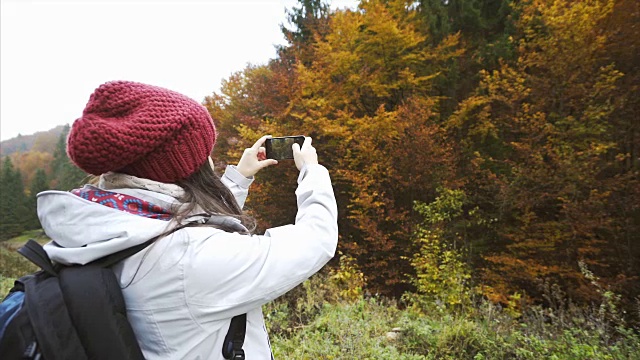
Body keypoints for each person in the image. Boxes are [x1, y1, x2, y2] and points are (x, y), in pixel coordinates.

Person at [36, 80, 339, 359]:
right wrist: (312, 171)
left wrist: (238, 178)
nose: (209, 159)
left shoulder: (112, 222)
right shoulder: (190, 259)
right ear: (179, 168)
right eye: (203, 153)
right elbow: (315, 240)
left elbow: (186, 222)